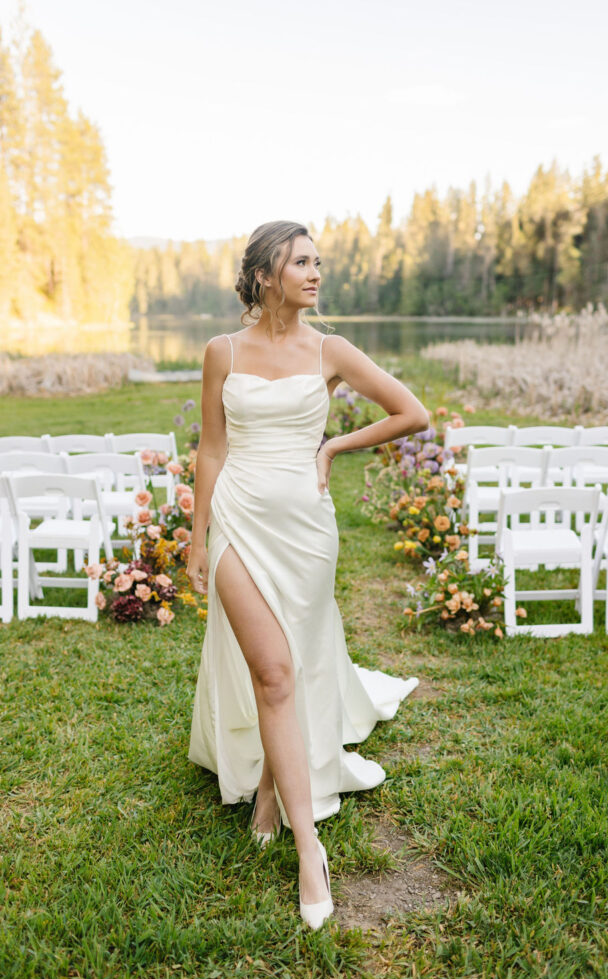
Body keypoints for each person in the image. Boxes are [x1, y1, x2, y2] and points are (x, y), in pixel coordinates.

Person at [186, 220, 428, 929]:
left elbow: (409, 412)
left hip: (306, 531)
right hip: (237, 519)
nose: (315, 274)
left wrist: (333, 447)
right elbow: (209, 449)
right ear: (265, 275)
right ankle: (309, 851)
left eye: (318, 263)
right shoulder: (220, 351)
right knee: (272, 673)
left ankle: (270, 787)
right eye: (301, 263)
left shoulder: (330, 348)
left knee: (290, 664)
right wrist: (198, 539)